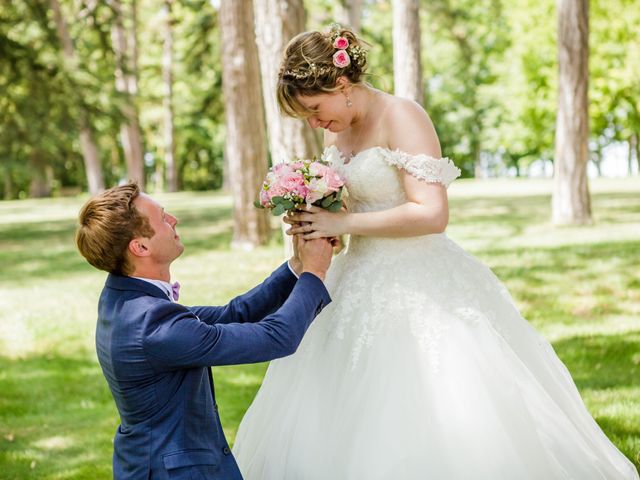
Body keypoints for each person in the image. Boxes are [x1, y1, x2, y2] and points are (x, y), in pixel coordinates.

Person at [232, 25, 640, 479]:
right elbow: (352, 215)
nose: (313, 123)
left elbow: (431, 212)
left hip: (419, 280)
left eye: (313, 108)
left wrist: (341, 221)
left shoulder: (402, 116)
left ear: (341, 85)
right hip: (355, 278)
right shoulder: (336, 134)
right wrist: (316, 224)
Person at [75, 182, 334, 480]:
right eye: (163, 218)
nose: (173, 220)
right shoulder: (152, 326)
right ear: (141, 247)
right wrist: (315, 273)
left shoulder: (124, 299)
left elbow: (231, 315)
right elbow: (276, 337)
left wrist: (297, 266)